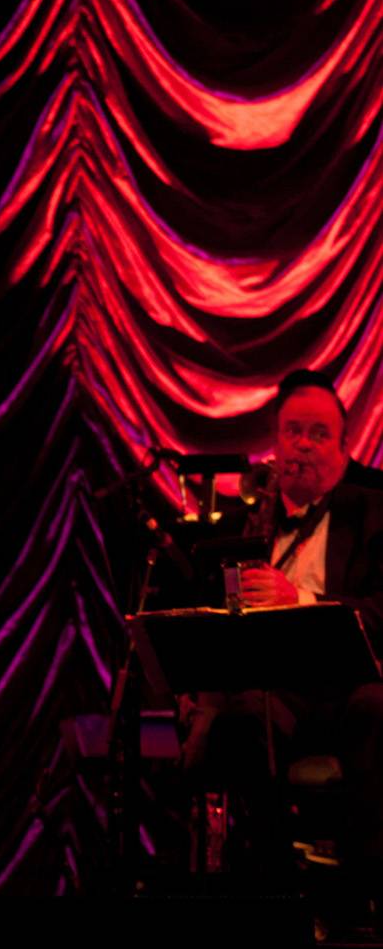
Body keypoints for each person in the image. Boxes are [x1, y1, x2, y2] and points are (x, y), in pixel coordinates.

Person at [181, 369, 383, 888]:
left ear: (344, 447)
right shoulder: (252, 519)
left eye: (320, 435)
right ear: (276, 440)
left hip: (352, 683)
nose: (304, 446)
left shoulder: (374, 512)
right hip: (276, 688)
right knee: (240, 722)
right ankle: (270, 884)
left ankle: (365, 890)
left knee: (376, 709)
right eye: (294, 432)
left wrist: (302, 601)